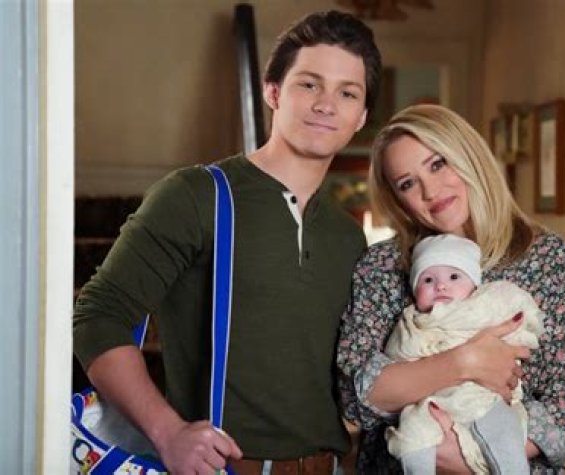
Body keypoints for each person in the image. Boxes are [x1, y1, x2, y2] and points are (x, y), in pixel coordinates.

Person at [73, 10, 382, 474]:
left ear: (361, 117)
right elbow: (98, 317)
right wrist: (167, 432)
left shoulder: (348, 236)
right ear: (272, 92)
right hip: (223, 468)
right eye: (309, 84)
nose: (326, 104)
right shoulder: (196, 195)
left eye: (347, 93)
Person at [336, 104, 565, 473]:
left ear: (469, 156)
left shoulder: (551, 259)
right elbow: (355, 397)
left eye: (437, 164)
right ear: (397, 199)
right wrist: (463, 362)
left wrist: (466, 460)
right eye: (407, 183)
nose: (430, 190)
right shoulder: (382, 267)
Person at [385, 233, 543, 474]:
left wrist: (520, 339)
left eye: (454, 276)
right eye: (428, 279)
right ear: (415, 291)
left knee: (505, 432)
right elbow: (398, 354)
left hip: (483, 397)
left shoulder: (482, 307)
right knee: (412, 435)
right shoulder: (413, 322)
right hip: (431, 400)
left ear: (473, 284)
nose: (441, 285)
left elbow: (518, 322)